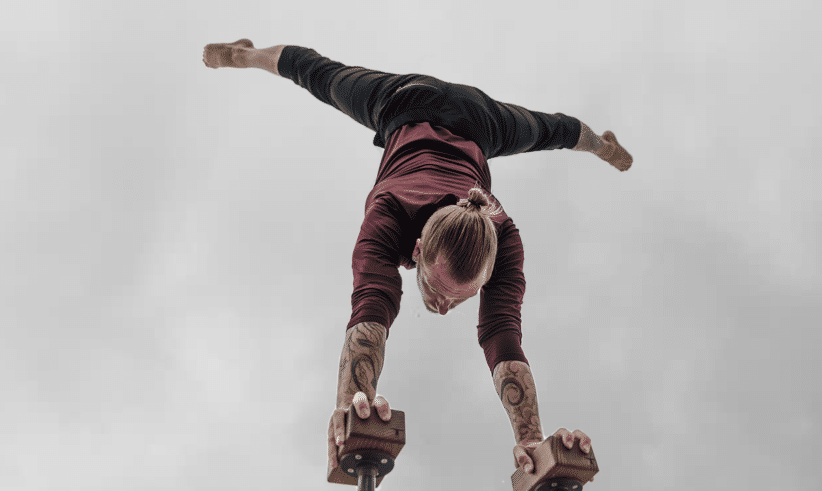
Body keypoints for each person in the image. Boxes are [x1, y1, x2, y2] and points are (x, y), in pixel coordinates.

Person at [203, 40, 631, 481]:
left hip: (478, 119)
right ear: (418, 248)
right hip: (403, 101)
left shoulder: (503, 234)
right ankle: (249, 54)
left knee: (552, 131)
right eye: (437, 289)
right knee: (317, 74)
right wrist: (353, 406)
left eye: (458, 297)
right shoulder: (389, 212)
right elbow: (370, 308)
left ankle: (600, 143)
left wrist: (529, 439)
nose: (444, 306)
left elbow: (503, 336)